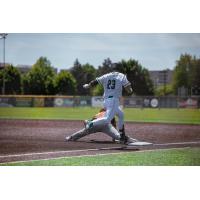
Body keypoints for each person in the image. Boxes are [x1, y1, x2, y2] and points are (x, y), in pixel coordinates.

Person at [83, 71, 133, 144]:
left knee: (121, 115)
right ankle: (90, 123)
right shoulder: (122, 76)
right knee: (107, 119)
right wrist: (131, 91)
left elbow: (95, 81)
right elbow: (128, 89)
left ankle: (122, 135)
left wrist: (88, 85)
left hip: (106, 100)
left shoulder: (107, 75)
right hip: (113, 100)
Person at [65, 108, 137, 143]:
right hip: (106, 125)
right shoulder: (108, 114)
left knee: (83, 132)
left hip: (95, 124)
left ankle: (71, 137)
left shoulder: (97, 114)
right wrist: (114, 139)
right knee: (118, 136)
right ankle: (129, 139)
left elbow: (92, 120)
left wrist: (87, 124)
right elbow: (114, 124)